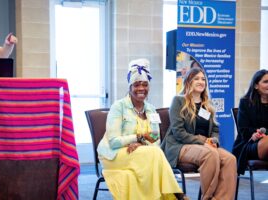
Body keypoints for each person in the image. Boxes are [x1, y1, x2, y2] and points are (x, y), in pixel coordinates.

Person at [97, 58, 187, 200]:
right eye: (137, 85)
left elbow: (156, 139)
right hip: (114, 155)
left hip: (140, 153)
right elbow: (113, 142)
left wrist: (141, 144)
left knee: (153, 154)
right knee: (154, 155)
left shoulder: (151, 109)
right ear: (130, 87)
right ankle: (178, 195)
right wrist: (137, 138)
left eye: (145, 85)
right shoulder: (118, 106)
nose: (141, 89)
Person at [161, 67, 237, 200]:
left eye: (203, 79)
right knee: (210, 154)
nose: (201, 82)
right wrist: (202, 140)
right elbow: (178, 132)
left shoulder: (207, 105)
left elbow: (215, 129)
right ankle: (207, 197)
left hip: (205, 146)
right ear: (188, 82)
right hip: (180, 145)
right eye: (196, 78)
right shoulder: (178, 101)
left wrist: (213, 139)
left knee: (230, 159)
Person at [232, 69, 268, 175]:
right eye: (265, 82)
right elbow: (243, 131)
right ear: (256, 85)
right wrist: (256, 134)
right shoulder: (245, 102)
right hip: (249, 143)